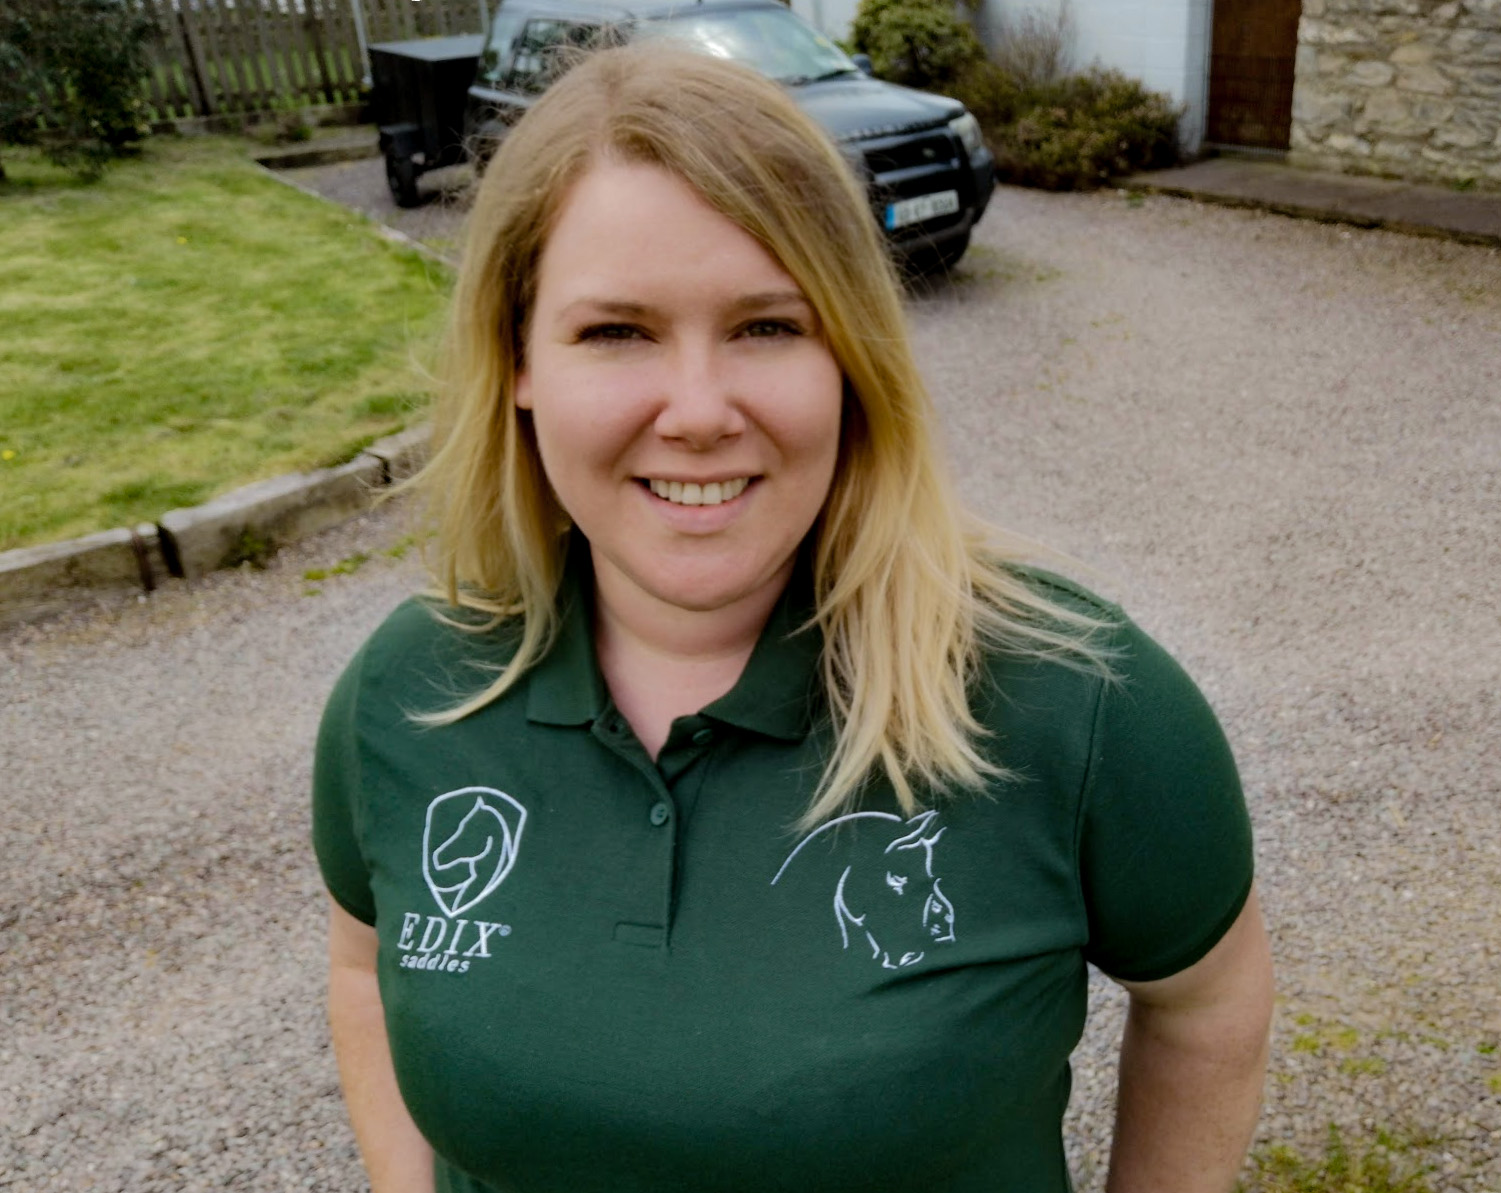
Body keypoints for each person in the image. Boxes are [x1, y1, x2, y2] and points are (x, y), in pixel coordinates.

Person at [312, 40, 1274, 1193]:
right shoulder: (411, 690)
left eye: (768, 325)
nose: (700, 410)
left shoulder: (1074, 697)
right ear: (518, 360)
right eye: (616, 331)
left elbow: (1208, 1007)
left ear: (852, 357)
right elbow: (366, 971)